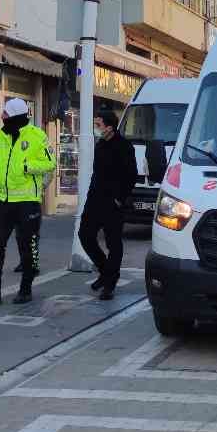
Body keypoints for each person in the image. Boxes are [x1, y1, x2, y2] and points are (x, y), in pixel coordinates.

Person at [0, 97, 53, 306]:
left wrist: (26, 166)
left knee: (27, 247)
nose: (2, 117)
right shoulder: (0, 134)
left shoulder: (37, 136)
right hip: (3, 200)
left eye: (6, 113)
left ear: (16, 115)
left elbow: (50, 162)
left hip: (27, 201)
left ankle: (26, 289)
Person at [80, 107, 136, 299]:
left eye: (98, 124)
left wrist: (119, 199)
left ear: (110, 127)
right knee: (85, 235)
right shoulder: (100, 144)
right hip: (95, 200)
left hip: (113, 203)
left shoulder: (124, 146)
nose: (96, 127)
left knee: (113, 243)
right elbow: (98, 174)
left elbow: (131, 176)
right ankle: (105, 271)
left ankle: (110, 283)